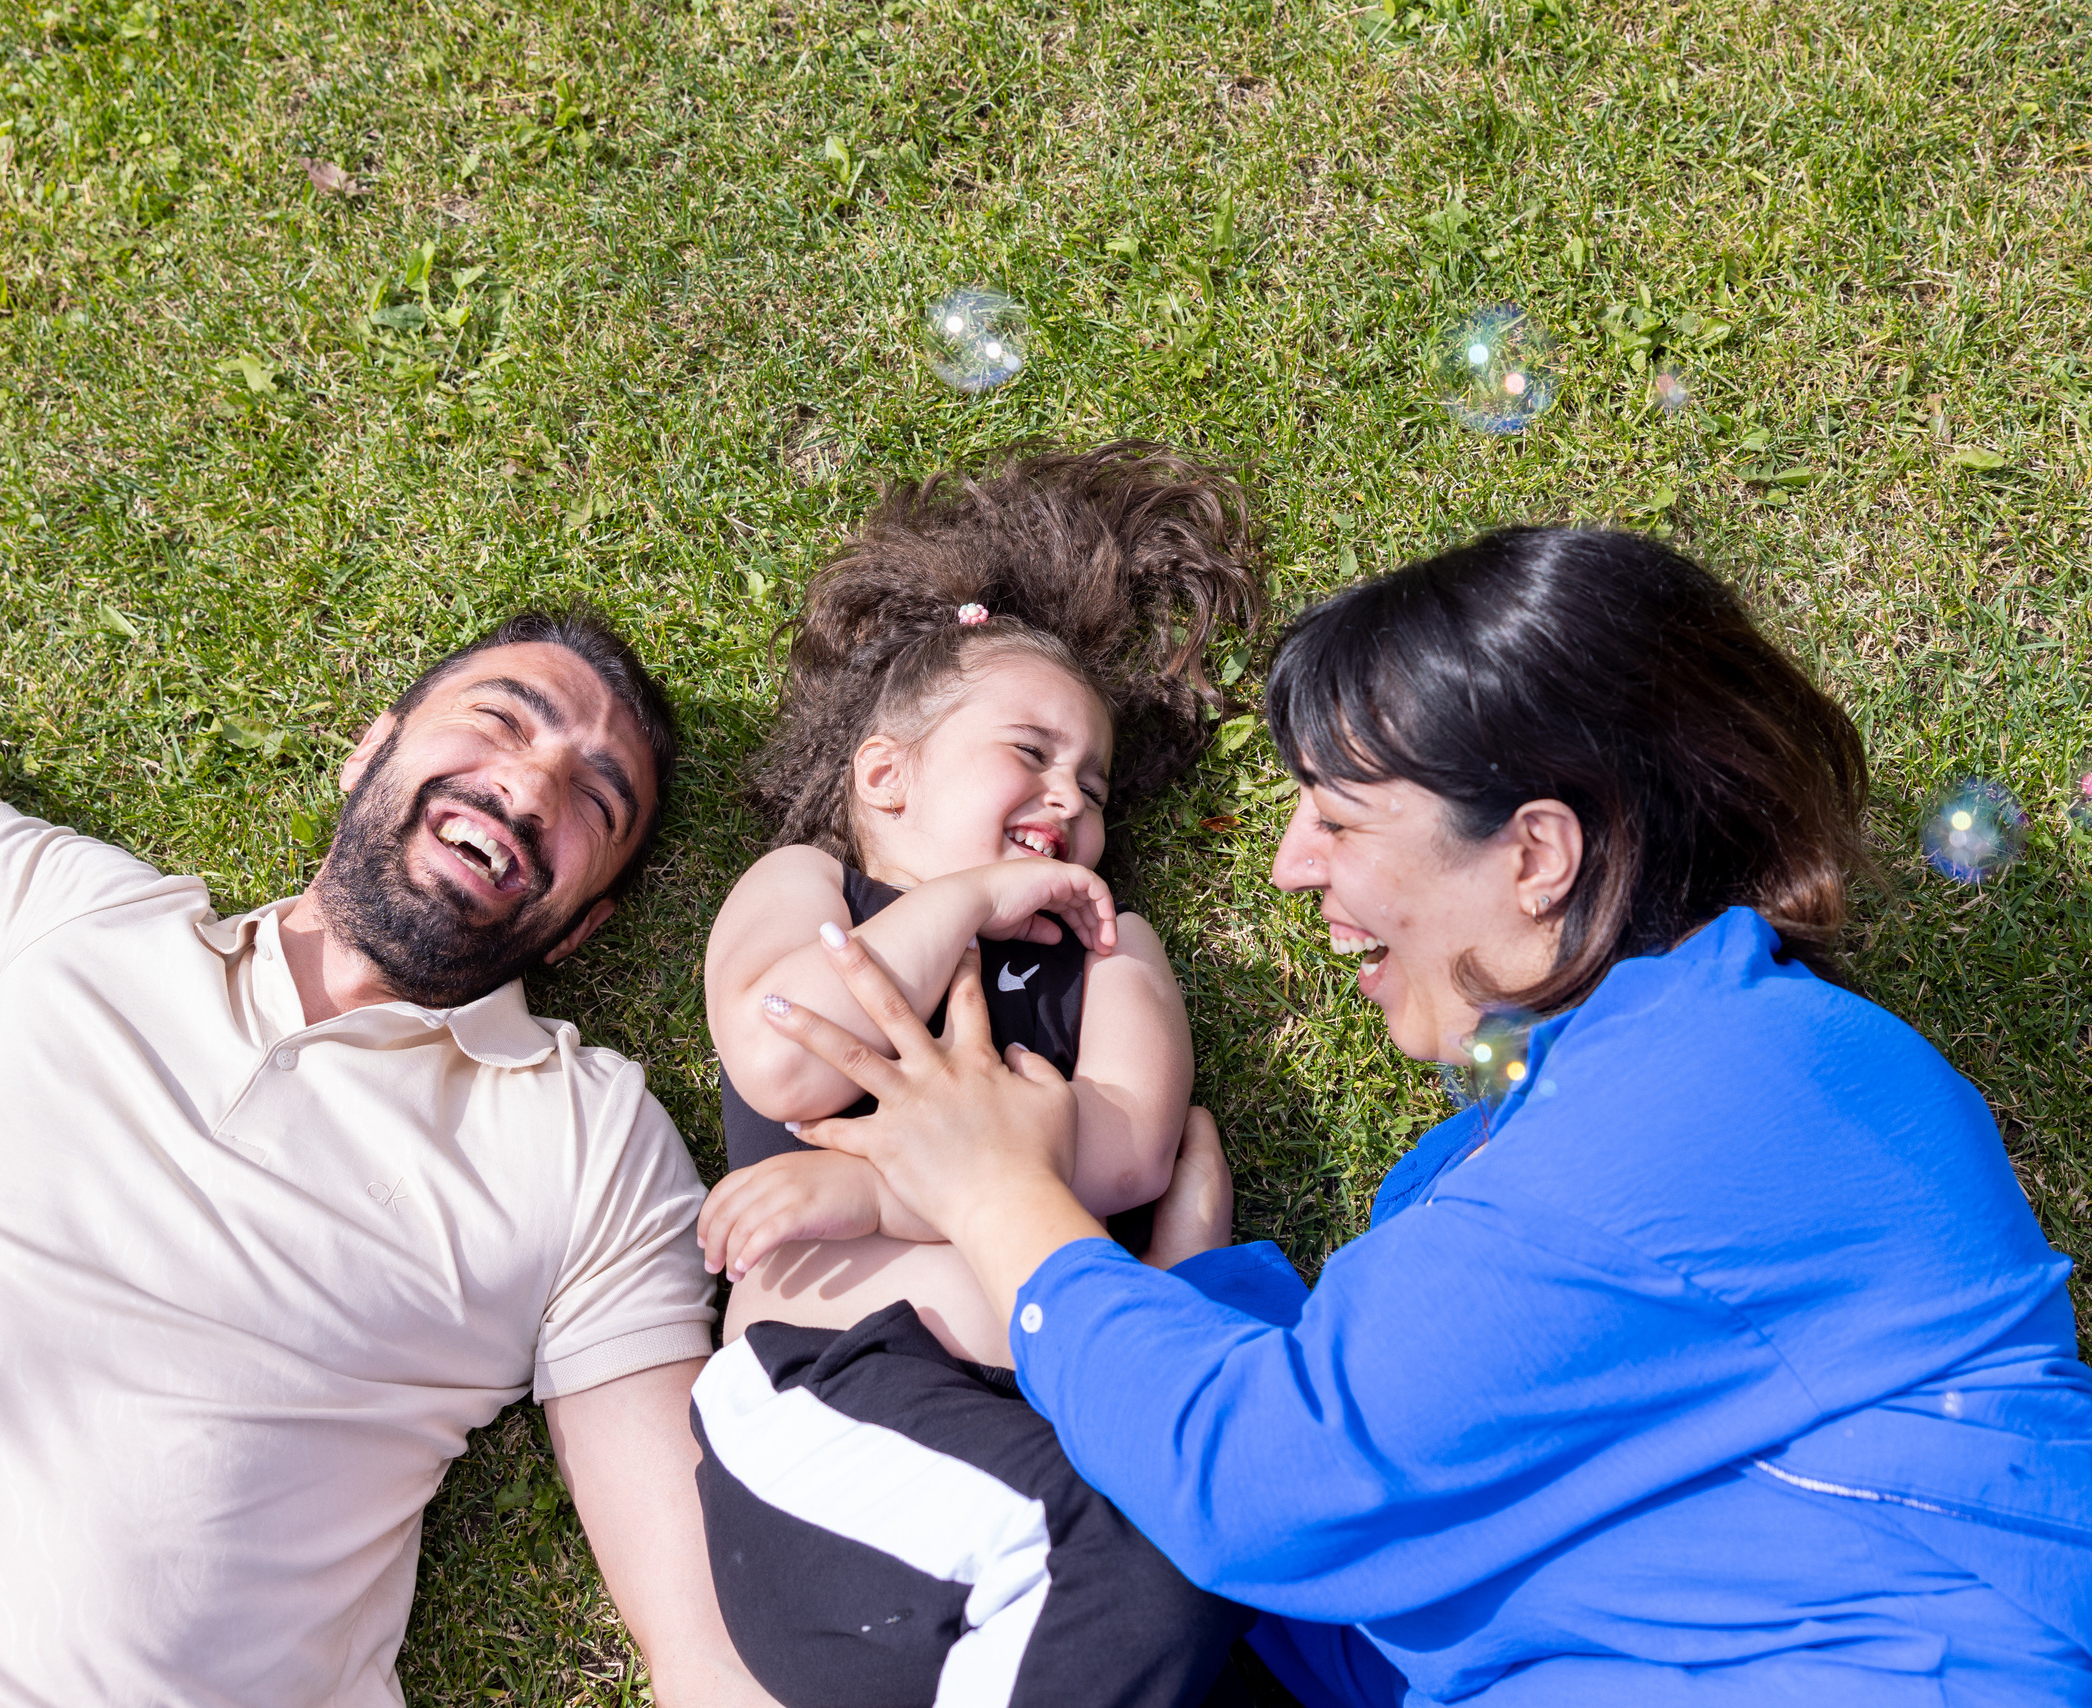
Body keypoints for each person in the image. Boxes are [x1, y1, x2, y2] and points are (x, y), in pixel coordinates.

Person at [0, 322, 776, 1708]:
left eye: (594, 801)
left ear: (584, 924)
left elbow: (700, 1628)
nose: (532, 783)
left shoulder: (585, 1141)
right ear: (371, 745)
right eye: (503, 719)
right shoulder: (95, 933)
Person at [755, 527, 2092, 1707]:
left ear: (1535, 853)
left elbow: (1272, 1486)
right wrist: (1197, 1275)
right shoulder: (1558, 1122)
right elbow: (1374, 1546)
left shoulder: (1745, 1084)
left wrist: (1004, 1203)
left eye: (1336, 818)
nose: (1289, 867)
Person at [689, 444, 1265, 1708]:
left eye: (1093, 785)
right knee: (1146, 1565)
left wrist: (879, 1198)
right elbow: (784, 1048)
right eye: (1030, 752)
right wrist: (969, 899)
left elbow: (1120, 1152)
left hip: (1071, 1418)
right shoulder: (813, 892)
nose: (1067, 799)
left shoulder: (1109, 948)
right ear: (883, 777)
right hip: (836, 1397)